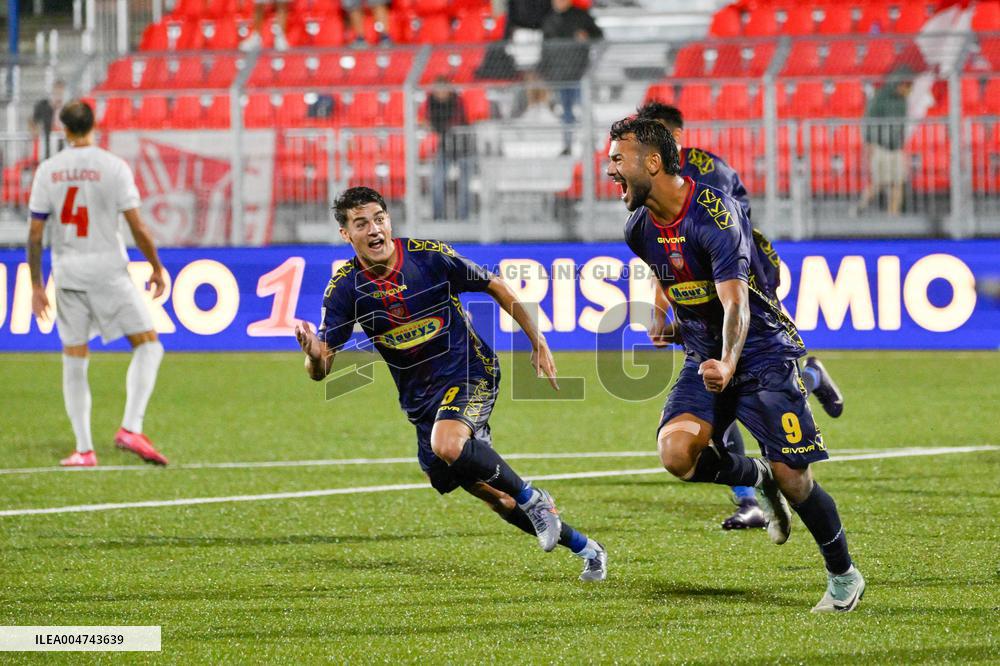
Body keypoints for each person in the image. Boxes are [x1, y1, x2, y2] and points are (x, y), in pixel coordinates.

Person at [607, 117, 864, 612]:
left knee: (797, 478)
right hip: (704, 354)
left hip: (761, 354)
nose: (610, 169)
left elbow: (737, 303)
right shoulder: (638, 228)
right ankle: (755, 476)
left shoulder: (714, 212)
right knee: (677, 454)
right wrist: (667, 320)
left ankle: (843, 576)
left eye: (618, 159)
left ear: (653, 162)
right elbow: (671, 275)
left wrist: (727, 362)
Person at [294, 186, 607, 581]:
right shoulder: (345, 289)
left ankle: (536, 499)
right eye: (361, 224)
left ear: (389, 220)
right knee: (493, 496)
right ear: (346, 234)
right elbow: (321, 369)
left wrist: (537, 340)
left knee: (450, 445)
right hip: (421, 403)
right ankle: (587, 548)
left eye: (379, 219)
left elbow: (495, 284)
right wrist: (311, 352)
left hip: (471, 372)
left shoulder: (429, 256)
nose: (374, 230)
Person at [637, 101, 844, 531]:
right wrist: (663, 312)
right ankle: (749, 495)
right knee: (715, 376)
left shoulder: (705, 173)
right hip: (711, 283)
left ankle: (807, 378)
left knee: (754, 354)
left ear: (673, 138)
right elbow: (668, 256)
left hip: (744, 266)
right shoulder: (648, 201)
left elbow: (717, 242)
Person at [26, 101, 169, 468]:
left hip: (68, 274)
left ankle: (84, 450)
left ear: (64, 130)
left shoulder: (48, 170)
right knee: (148, 346)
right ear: (94, 125)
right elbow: (137, 226)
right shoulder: (113, 166)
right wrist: (155, 266)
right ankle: (131, 427)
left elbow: (36, 232)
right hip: (108, 272)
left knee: (74, 359)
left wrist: (37, 286)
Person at [538, 0, 602, 154]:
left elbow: (598, 35)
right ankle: (567, 145)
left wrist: (586, 36)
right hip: (559, 74)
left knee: (584, 108)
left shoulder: (580, 16)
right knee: (566, 112)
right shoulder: (549, 18)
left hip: (579, 73)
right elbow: (545, 47)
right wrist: (544, 70)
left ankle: (591, 143)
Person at [857, 70, 913, 216]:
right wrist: (869, 144)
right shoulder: (879, 97)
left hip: (896, 148)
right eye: (906, 85)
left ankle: (893, 215)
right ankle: (860, 207)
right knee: (879, 183)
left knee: (898, 182)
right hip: (881, 147)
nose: (908, 89)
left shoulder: (903, 101)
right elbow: (869, 121)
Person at [426, 77, 473, 221]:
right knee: (437, 181)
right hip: (445, 148)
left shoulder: (457, 101)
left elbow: (456, 123)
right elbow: (432, 123)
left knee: (464, 183)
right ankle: (437, 217)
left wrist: (441, 128)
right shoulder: (431, 103)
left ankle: (463, 217)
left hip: (464, 147)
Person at [30, 80, 66, 161]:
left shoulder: (68, 108)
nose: (58, 96)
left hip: (63, 146)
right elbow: (33, 122)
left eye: (61, 94)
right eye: (56, 93)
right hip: (47, 145)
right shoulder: (43, 105)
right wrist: (35, 130)